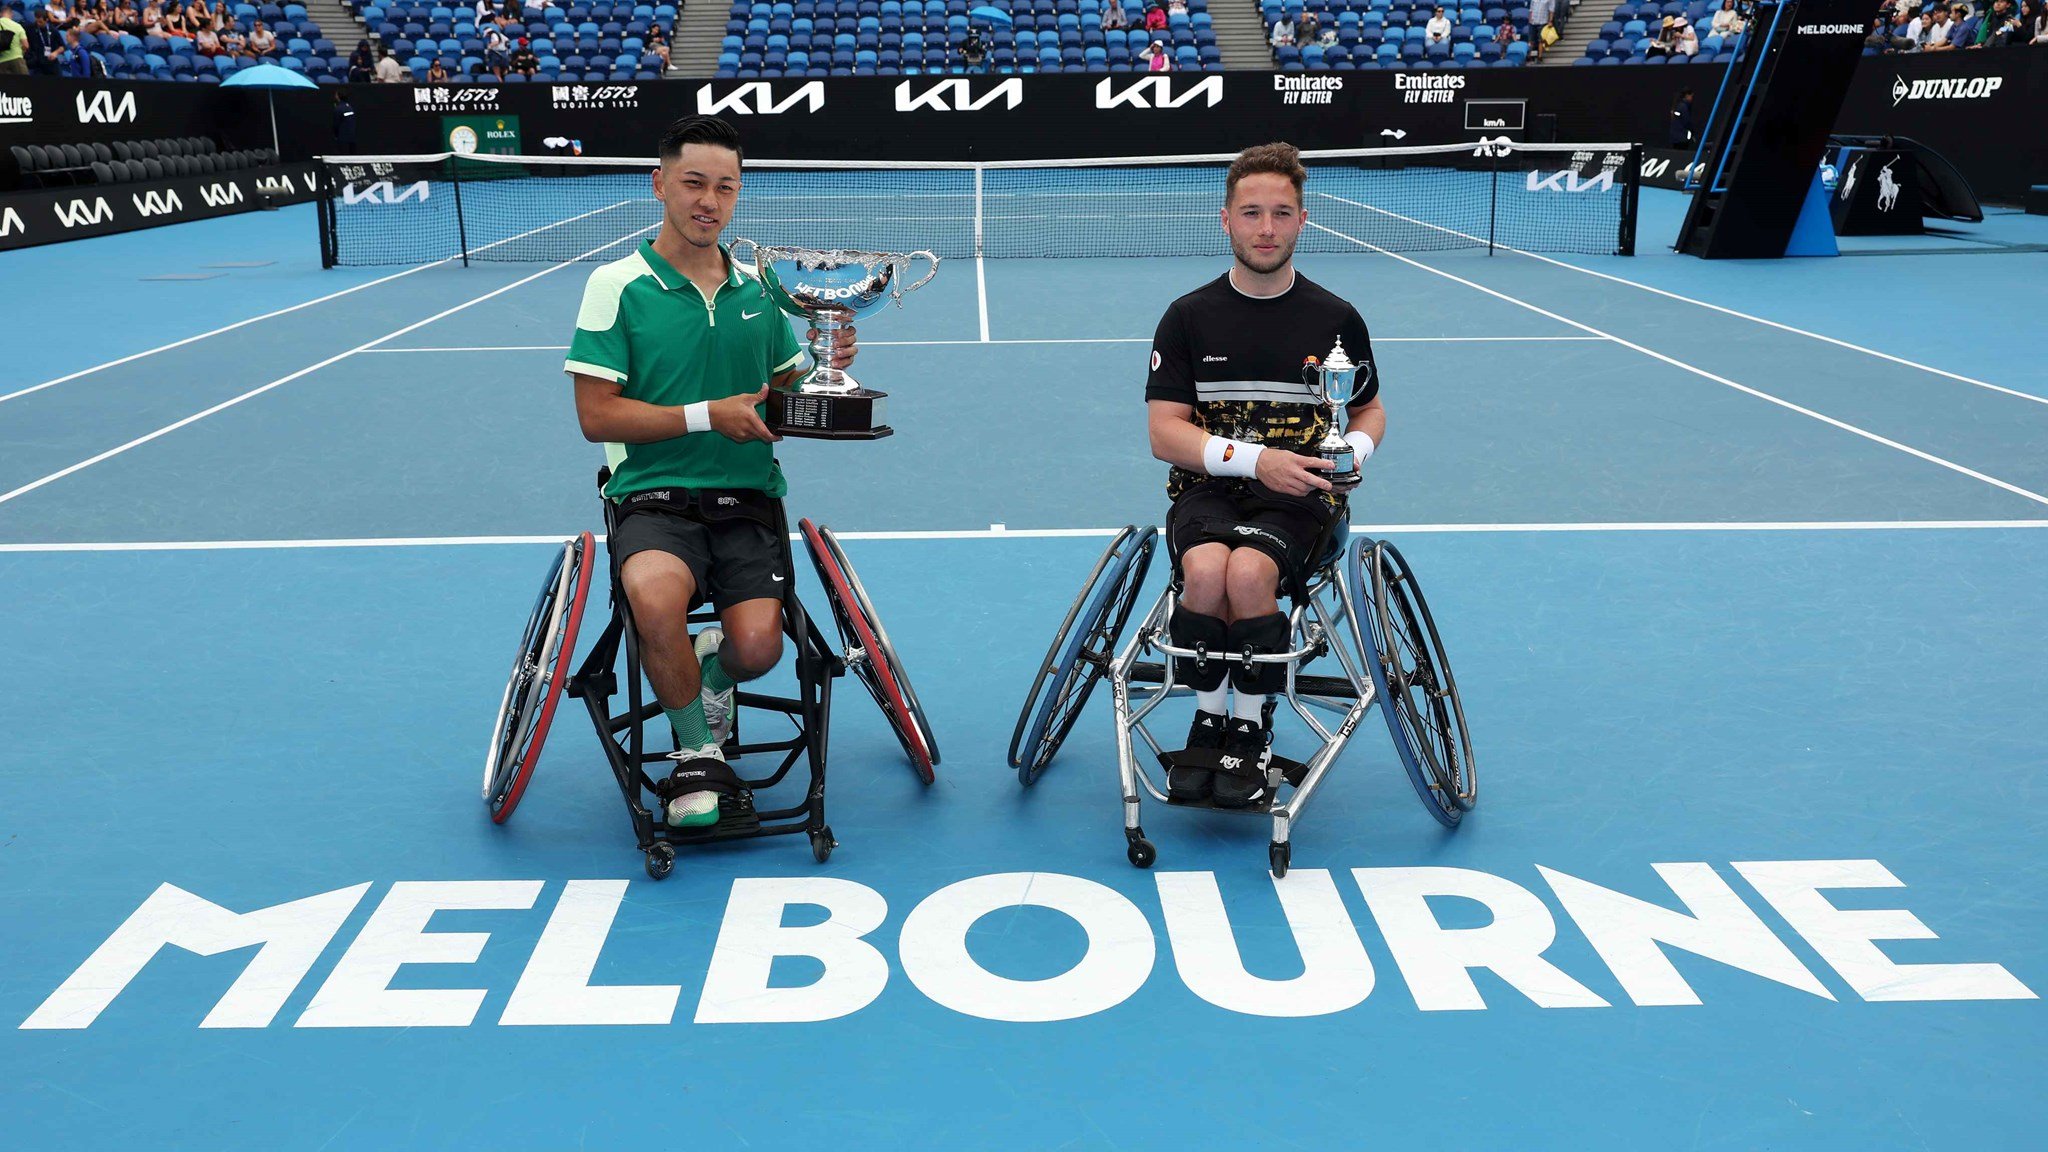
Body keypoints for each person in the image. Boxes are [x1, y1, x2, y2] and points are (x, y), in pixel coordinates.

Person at [566, 115, 853, 829]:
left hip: (748, 499)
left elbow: (786, 392)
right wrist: (706, 415)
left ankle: (711, 673)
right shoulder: (616, 285)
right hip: (653, 498)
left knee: (758, 648)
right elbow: (596, 416)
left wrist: (827, 367)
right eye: (694, 183)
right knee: (654, 601)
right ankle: (699, 752)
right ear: (660, 184)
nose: (709, 201)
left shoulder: (763, 288)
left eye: (725, 187)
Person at [1144, 142, 1386, 809]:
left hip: (1303, 498)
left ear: (1303, 220)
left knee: (1249, 574)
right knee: (1204, 573)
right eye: (1251, 213)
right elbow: (1166, 432)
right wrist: (1258, 461)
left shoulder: (1336, 319)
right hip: (1210, 489)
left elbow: (1367, 408)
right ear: (1226, 220)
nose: (1266, 228)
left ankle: (1248, 727)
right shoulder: (1189, 316)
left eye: (1281, 213)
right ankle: (1209, 718)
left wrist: (1351, 457)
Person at [0, 3, 29, 75]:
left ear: (1, 14)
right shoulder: (17, 26)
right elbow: (26, 45)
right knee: (24, 84)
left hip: (1, 62)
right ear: (11, 14)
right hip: (17, 59)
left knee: (5, 86)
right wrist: (21, 53)